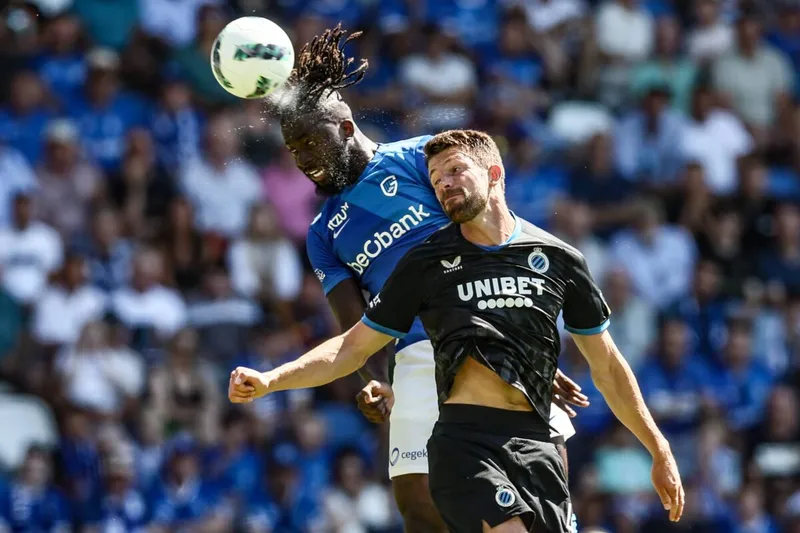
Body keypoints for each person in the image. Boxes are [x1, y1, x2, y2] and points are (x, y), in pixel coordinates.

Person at [229, 130, 685, 533]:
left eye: (454, 171)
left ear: (494, 172)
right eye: (436, 177)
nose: (443, 182)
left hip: (535, 431)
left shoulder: (557, 258)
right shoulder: (425, 265)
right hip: (462, 436)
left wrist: (659, 448)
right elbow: (351, 345)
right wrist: (273, 379)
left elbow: (606, 364)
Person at [267, 25, 587, 533]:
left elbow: (499, 235)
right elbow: (355, 326)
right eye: (293, 149)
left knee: (541, 504)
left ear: (346, 128)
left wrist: (532, 337)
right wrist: (371, 381)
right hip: (415, 358)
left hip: (494, 337)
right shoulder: (323, 233)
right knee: (420, 510)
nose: (303, 158)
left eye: (310, 140)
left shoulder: (423, 159)